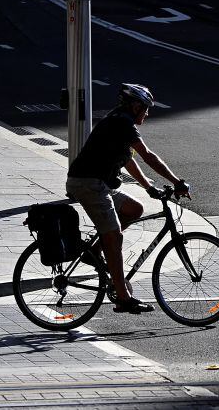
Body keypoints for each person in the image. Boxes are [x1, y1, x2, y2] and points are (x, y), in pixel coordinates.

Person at [66, 83, 190, 314]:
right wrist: (176, 182)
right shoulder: (122, 123)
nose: (147, 113)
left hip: (99, 183)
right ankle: (123, 297)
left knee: (134, 209)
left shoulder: (119, 122)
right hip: (88, 183)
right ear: (135, 106)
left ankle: (94, 251)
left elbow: (127, 159)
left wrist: (147, 187)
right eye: (145, 108)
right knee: (114, 237)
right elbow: (148, 156)